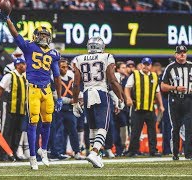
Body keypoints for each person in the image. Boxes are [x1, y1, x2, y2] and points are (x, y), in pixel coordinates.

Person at [0, 11, 63, 170]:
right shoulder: (28, 47)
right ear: (35, 36)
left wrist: (59, 96)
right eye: (40, 35)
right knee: (33, 123)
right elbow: (15, 34)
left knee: (48, 121)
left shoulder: (54, 54)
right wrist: (8, 19)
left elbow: (57, 76)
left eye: (45, 35)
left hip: (47, 90)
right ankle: (33, 156)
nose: (43, 38)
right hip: (33, 89)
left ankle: (44, 151)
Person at [72, 36, 124, 168]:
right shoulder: (106, 57)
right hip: (101, 92)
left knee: (93, 127)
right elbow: (112, 80)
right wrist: (120, 97)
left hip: (87, 93)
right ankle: (95, 152)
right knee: (103, 126)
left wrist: (75, 102)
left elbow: (76, 84)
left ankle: (97, 155)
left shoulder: (79, 59)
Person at [125, 57, 164, 157]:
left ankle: (153, 150)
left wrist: (161, 105)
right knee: (135, 131)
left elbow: (157, 91)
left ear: (151, 66)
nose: (146, 66)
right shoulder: (135, 75)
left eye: (148, 64)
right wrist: (128, 99)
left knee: (152, 131)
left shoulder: (154, 76)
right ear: (141, 65)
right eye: (144, 64)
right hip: (137, 107)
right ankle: (132, 150)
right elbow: (127, 88)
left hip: (150, 108)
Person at [161, 45, 192, 160]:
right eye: (180, 53)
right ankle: (175, 153)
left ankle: (189, 154)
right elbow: (163, 86)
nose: (182, 54)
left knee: (190, 127)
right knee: (176, 127)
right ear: (176, 55)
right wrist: (175, 88)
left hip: (189, 99)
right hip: (175, 100)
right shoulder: (170, 68)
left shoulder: (191, 66)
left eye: (184, 52)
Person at [52, 59, 85, 160]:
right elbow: (55, 96)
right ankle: (57, 152)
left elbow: (77, 89)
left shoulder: (71, 77)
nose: (65, 69)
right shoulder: (54, 78)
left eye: (66, 67)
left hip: (70, 108)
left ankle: (76, 151)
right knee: (58, 130)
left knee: (73, 130)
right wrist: (71, 101)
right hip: (59, 108)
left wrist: (80, 98)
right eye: (63, 67)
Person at [0, 58, 26, 161]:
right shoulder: (10, 76)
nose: (24, 66)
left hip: (21, 109)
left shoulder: (25, 77)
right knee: (7, 131)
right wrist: (2, 101)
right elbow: (0, 89)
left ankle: (13, 153)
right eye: (22, 64)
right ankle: (3, 154)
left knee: (18, 132)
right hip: (9, 107)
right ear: (17, 65)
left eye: (24, 64)